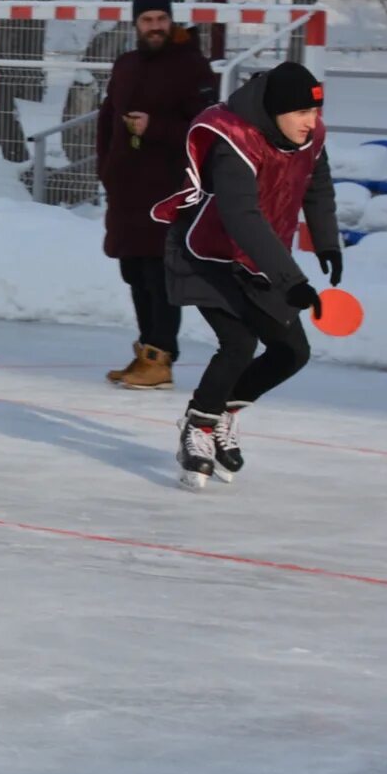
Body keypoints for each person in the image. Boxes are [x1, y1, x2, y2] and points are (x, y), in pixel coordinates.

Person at [156, 61, 341, 488]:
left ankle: (223, 411)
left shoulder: (310, 137)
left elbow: (317, 184)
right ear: (276, 110)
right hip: (209, 256)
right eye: (301, 113)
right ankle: (198, 428)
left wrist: (327, 239)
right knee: (239, 342)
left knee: (291, 352)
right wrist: (291, 279)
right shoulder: (234, 140)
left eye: (315, 112)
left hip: (261, 260)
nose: (311, 122)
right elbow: (242, 217)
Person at [95, 0, 219, 388]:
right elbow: (107, 119)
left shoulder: (192, 66)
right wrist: (106, 168)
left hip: (169, 189)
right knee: (134, 270)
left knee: (160, 275)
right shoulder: (127, 63)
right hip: (128, 191)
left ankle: (162, 356)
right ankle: (146, 351)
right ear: (136, 24)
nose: (155, 27)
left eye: (161, 20)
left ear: (171, 22)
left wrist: (156, 128)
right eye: (147, 20)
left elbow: (207, 131)